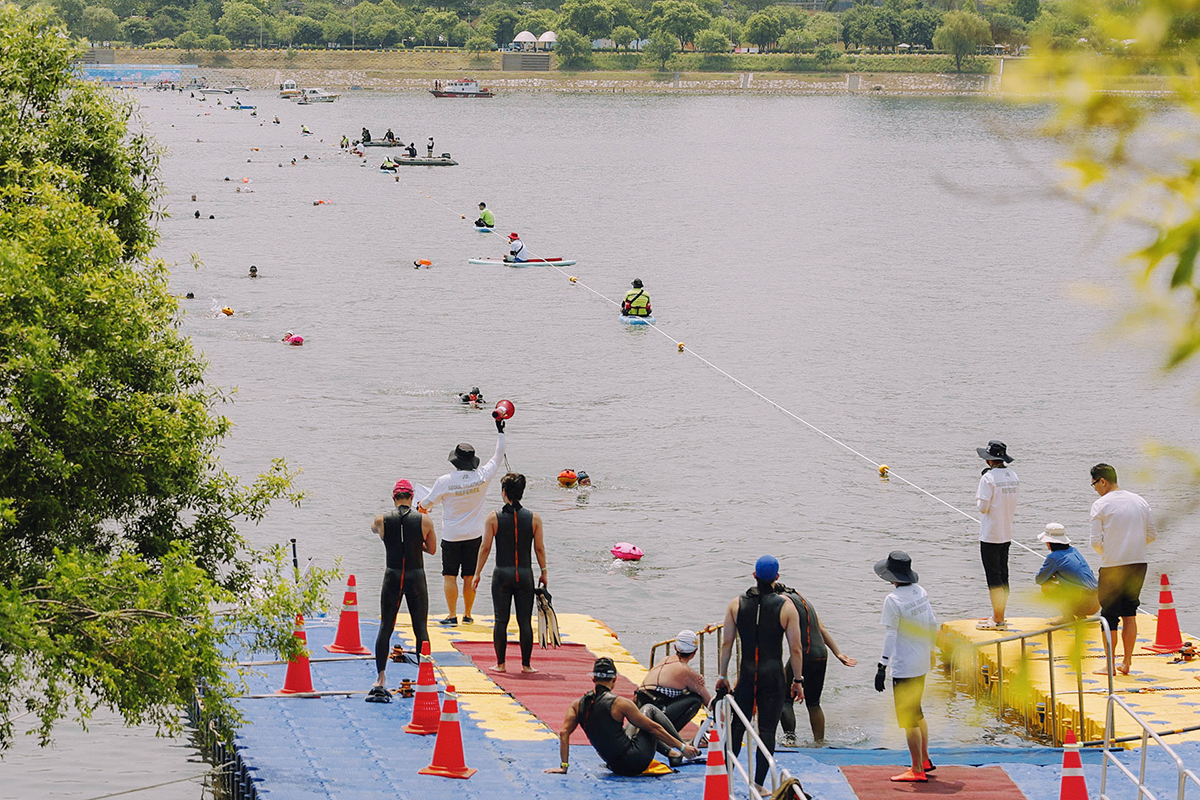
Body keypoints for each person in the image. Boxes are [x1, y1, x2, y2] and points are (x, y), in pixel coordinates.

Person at [716, 555, 806, 792]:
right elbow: (795, 649)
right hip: (773, 675)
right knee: (767, 729)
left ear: (754, 575)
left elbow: (727, 644)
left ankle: (727, 782)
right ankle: (758, 785)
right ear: (777, 577)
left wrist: (723, 676)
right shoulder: (786, 606)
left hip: (746, 673)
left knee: (737, 726)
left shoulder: (736, 604)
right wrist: (797, 680)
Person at [417, 416, 507, 626]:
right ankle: (467, 614)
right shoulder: (482, 476)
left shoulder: (445, 481)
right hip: (475, 534)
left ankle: (451, 615)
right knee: (469, 576)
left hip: (451, 535)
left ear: (455, 461)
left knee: (449, 575)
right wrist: (501, 431)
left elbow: (424, 505)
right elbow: (498, 456)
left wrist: (422, 507)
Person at [544, 658, 700, 776]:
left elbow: (564, 734)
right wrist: (681, 745)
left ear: (593, 679)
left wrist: (564, 766)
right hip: (636, 762)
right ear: (614, 679)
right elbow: (653, 727)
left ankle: (675, 753)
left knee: (635, 723)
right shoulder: (620, 703)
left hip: (613, 765)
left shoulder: (577, 704)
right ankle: (681, 751)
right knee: (649, 710)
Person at [367, 479, 436, 701]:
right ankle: (425, 679)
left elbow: (374, 530)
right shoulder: (425, 520)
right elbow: (432, 549)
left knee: (386, 626)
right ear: (412, 497)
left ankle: (380, 678)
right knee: (420, 629)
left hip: (393, 576)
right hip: (416, 576)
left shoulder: (382, 519)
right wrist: (416, 543)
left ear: (393, 498)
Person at [873, 550, 938, 783]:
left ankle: (917, 768)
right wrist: (932, 651)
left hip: (905, 665)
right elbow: (932, 623)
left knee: (908, 719)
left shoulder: (893, 600)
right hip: (921, 660)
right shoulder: (920, 592)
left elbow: (891, 634)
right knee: (918, 711)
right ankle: (925, 758)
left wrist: (882, 665)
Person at [472, 473, 546, 673]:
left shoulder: (493, 517)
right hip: (524, 574)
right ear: (521, 493)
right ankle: (526, 665)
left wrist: (477, 572)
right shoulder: (534, 519)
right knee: (525, 621)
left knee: (501, 620)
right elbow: (539, 548)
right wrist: (544, 572)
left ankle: (501, 664)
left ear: (504, 493)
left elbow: (485, 548)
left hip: (502, 575)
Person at [1090, 463, 1156, 676]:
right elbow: (1152, 534)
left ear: (1102, 481)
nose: (1095, 489)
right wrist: (1132, 547)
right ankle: (1126, 662)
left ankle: (1110, 665)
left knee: (1109, 616)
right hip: (1138, 563)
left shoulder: (1100, 505)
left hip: (1112, 566)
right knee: (1130, 613)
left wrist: (1112, 551)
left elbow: (1095, 542)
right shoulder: (1140, 501)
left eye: (1094, 484)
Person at [774, 582, 856, 746]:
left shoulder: (782, 601)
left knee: (784, 698)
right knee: (814, 702)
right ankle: (819, 742)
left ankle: (790, 740)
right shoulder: (803, 600)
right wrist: (837, 653)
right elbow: (822, 629)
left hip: (804, 652)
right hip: (820, 653)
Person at [975, 440, 1019, 630]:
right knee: (1003, 575)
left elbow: (983, 507)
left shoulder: (988, 479)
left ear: (989, 461)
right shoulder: (1013, 475)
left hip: (991, 534)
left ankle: (998, 619)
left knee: (993, 577)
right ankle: (999, 614)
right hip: (1006, 532)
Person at [635, 630, 712, 739]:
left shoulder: (665, 660)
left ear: (675, 647)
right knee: (695, 699)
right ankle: (668, 737)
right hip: (655, 712)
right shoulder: (686, 671)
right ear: (695, 652)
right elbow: (709, 702)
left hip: (640, 710)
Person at [1034, 523, 1099, 624]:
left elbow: (1039, 580)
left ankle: (1068, 616)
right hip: (1096, 602)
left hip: (1086, 604)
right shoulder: (1074, 550)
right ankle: (1081, 616)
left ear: (1048, 542)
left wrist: (1052, 577)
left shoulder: (1053, 557)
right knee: (1071, 585)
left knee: (1047, 587)